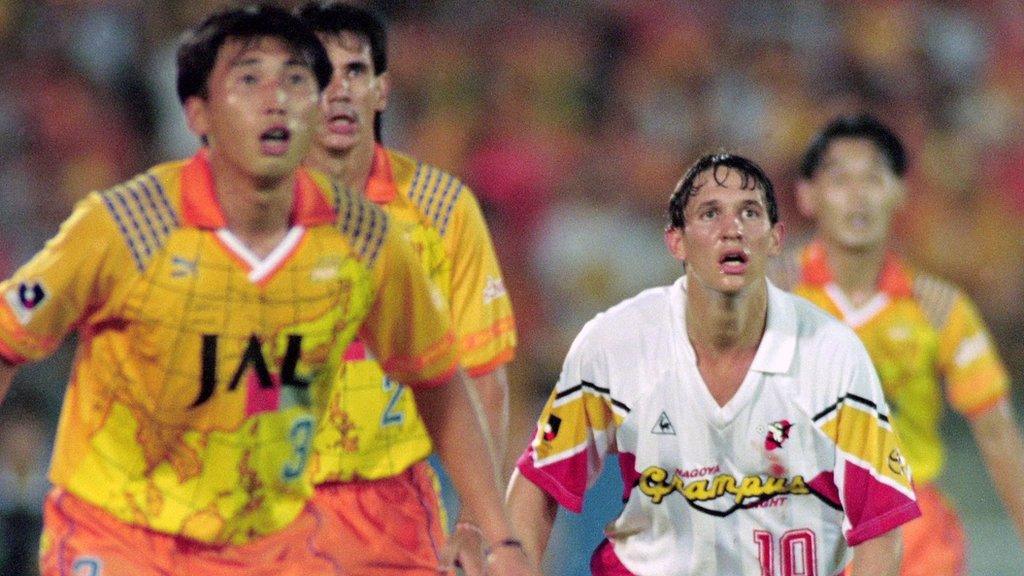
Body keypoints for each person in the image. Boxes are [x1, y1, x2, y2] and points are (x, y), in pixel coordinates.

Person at [0, 5, 532, 576]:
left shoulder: (368, 241)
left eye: (297, 80)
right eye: (248, 79)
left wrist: (499, 539)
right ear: (196, 112)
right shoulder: (128, 227)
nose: (276, 98)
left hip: (268, 541)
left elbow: (442, 380)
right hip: (118, 533)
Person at [507, 152, 921, 575]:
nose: (732, 229)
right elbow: (538, 485)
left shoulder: (832, 356)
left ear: (776, 238)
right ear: (676, 241)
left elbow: (881, 526)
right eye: (710, 213)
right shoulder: (615, 347)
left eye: (750, 212)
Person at [296, 3, 518, 574]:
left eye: (355, 72)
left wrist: (472, 524)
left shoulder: (443, 212)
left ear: (382, 90)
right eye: (318, 75)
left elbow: (484, 383)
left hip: (391, 515)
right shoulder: (251, 213)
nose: (338, 91)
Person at [776, 113, 1024, 576]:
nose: (857, 196)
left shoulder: (939, 309)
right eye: (839, 180)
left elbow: (998, 433)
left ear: (900, 193)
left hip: (913, 533)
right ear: (807, 196)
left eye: (874, 178)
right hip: (796, 523)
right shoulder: (769, 299)